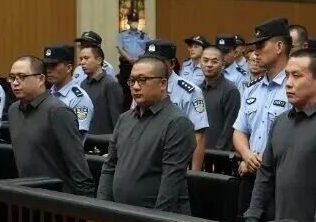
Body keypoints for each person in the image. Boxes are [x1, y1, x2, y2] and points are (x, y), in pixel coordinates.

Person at [243, 49, 316, 222]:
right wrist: (252, 216)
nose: (288, 83)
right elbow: (265, 174)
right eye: (287, 75)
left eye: (296, 76)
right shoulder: (281, 121)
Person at [98, 57, 195, 212]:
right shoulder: (125, 119)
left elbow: (171, 182)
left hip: (157, 219)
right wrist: (103, 209)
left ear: (163, 84)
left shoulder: (177, 123)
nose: (136, 87)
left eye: (142, 80)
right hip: (120, 215)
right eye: (132, 81)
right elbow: (110, 166)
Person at [7, 56, 95, 196]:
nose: (15, 83)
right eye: (12, 78)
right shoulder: (13, 110)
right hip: (26, 193)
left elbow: (77, 164)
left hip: (58, 197)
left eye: (22, 77)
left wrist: (85, 201)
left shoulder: (58, 111)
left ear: (41, 79)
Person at [234, 18, 294, 180]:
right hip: (251, 173)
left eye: (260, 46)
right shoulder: (251, 88)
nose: (255, 53)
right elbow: (239, 131)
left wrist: (264, 161)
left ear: (279, 47)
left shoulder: (294, 87)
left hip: (281, 176)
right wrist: (247, 155)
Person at [141, 40, 209, 170]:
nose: (151, 67)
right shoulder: (140, 87)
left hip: (176, 164)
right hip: (146, 161)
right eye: (147, 61)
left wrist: (195, 174)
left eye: (157, 62)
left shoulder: (189, 92)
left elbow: (199, 135)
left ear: (172, 63)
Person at [41, 44, 95, 135]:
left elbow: (78, 136)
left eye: (53, 66)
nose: (48, 70)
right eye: (47, 66)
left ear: (68, 68)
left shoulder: (79, 99)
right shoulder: (46, 94)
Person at [199, 45, 240, 151]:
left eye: (214, 61)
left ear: (222, 65)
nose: (209, 65)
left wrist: (218, 152)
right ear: (200, 63)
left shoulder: (230, 90)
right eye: (205, 60)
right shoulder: (197, 90)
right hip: (198, 151)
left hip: (218, 154)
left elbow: (230, 127)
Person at [77, 43, 124, 136]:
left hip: (104, 140)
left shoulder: (110, 84)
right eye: (81, 59)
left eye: (86, 58)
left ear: (99, 60)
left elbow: (117, 118)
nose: (82, 62)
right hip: (85, 138)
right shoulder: (83, 84)